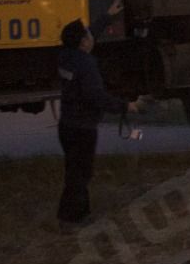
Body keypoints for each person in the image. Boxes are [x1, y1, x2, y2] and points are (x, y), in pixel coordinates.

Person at [56, 19, 139, 227]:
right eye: (88, 35)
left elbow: (86, 35)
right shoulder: (86, 64)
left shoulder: (65, 57)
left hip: (67, 125)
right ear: (83, 42)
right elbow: (97, 96)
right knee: (81, 173)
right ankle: (69, 218)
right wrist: (125, 106)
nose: (91, 37)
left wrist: (106, 16)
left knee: (75, 170)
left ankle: (81, 215)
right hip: (83, 127)